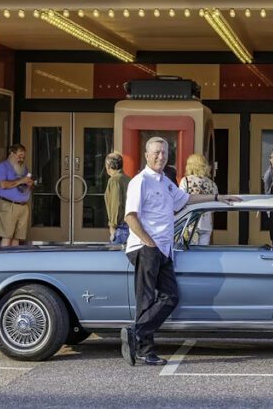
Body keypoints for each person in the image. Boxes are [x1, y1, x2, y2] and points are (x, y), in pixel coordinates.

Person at [121, 137, 240, 367]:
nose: (161, 157)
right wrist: (149, 243)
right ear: (147, 155)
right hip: (147, 248)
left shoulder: (165, 182)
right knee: (145, 301)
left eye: (164, 153)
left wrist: (217, 198)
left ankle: (135, 333)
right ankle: (146, 350)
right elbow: (130, 216)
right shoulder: (140, 181)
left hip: (165, 249)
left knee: (170, 297)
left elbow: (186, 199)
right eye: (156, 152)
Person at [0, 144, 33, 247]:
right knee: (7, 236)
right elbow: (3, 185)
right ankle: (4, 261)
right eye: (19, 156)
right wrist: (21, 180)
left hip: (23, 206)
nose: (21, 159)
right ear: (12, 153)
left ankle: (13, 260)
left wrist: (29, 185)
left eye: (23, 157)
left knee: (17, 237)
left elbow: (23, 186)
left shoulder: (23, 169)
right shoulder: (2, 167)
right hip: (8, 205)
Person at [178, 153, 218, 245]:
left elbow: (180, 201)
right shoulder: (212, 184)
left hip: (190, 223)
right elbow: (215, 207)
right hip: (207, 224)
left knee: (190, 253)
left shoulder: (186, 181)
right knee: (203, 255)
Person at [103, 152, 131, 244]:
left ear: (108, 166)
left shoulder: (114, 180)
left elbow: (116, 205)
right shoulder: (128, 179)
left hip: (121, 228)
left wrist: (112, 226)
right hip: (130, 225)